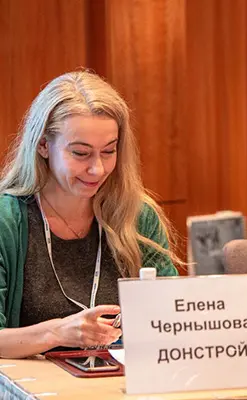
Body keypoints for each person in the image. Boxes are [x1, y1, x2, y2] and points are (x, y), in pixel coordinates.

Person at [0, 71, 180, 358]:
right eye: (81, 153)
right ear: (43, 145)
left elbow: (174, 320)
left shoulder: (137, 215)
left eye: (108, 151)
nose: (97, 169)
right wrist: (56, 332)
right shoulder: (7, 221)